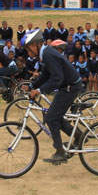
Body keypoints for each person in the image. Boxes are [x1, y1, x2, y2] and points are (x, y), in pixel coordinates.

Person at [22, 30, 83, 164]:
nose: (28, 53)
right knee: (55, 117)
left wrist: (38, 91)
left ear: (34, 45)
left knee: (50, 118)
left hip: (70, 87)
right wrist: (32, 86)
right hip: (67, 86)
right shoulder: (46, 53)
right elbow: (45, 75)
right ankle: (79, 136)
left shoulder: (48, 54)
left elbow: (57, 78)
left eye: (27, 49)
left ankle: (60, 152)